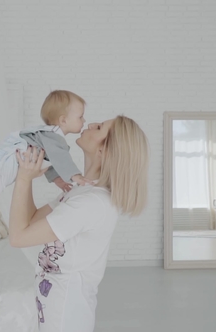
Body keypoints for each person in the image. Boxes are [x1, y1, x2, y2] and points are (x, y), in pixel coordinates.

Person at [9, 115, 149, 332]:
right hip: (55, 304)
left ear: (105, 151)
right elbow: (31, 220)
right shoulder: (80, 191)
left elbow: (18, 237)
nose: (91, 124)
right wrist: (27, 176)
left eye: (99, 127)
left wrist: (23, 178)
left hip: (66, 312)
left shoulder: (91, 203)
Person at [0, 90, 94, 258]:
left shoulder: (47, 135)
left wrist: (57, 179)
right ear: (63, 120)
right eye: (80, 117)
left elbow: (49, 160)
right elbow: (60, 158)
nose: (84, 121)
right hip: (4, 165)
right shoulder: (54, 137)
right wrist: (74, 175)